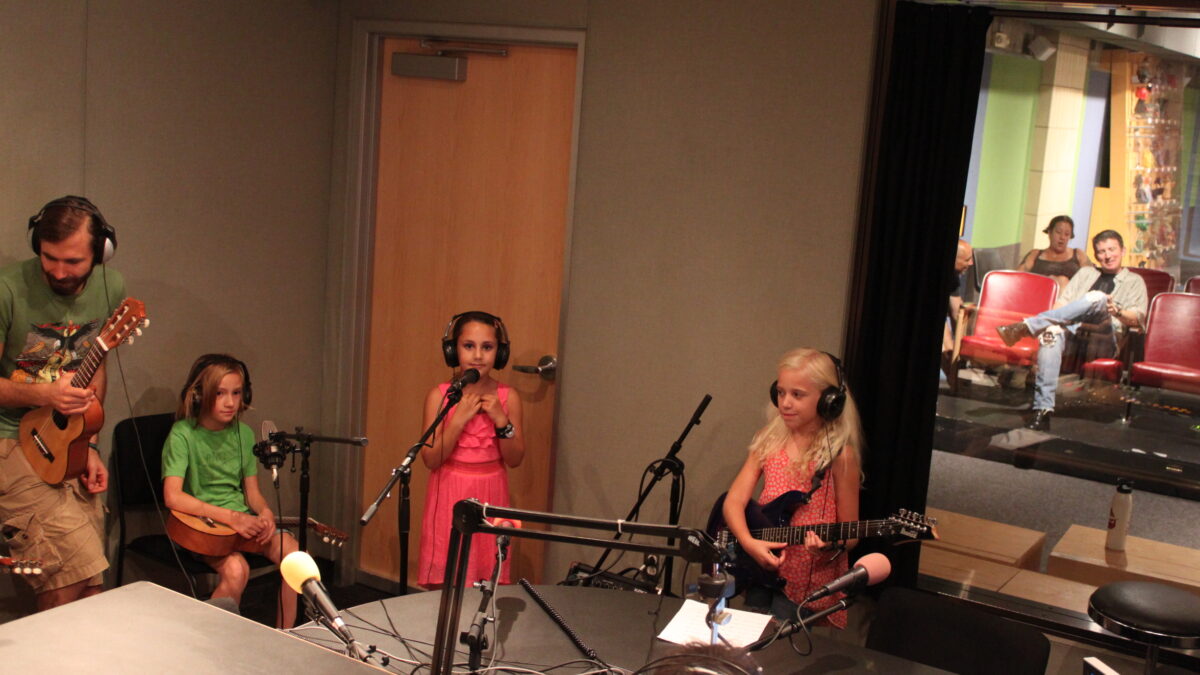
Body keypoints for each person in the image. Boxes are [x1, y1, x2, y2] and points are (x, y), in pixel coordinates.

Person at [0, 196, 124, 611]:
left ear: (100, 251)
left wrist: (87, 442)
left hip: (65, 441)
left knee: (90, 584)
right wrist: (45, 394)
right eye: (49, 258)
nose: (58, 271)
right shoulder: (7, 291)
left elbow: (97, 362)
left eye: (72, 261)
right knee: (67, 572)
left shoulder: (111, 288)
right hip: (6, 439)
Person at [721, 349, 863, 627]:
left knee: (783, 657)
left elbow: (852, 532)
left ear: (829, 400)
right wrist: (749, 544)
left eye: (798, 395)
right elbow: (733, 501)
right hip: (762, 566)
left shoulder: (840, 455)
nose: (785, 403)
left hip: (807, 582)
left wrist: (829, 544)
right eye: (781, 392)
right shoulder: (767, 441)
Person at [162, 354, 299, 627]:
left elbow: (252, 494)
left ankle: (287, 636)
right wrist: (231, 517)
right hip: (205, 528)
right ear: (201, 395)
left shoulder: (243, 433)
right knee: (237, 570)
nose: (230, 402)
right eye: (220, 393)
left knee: (295, 557)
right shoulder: (182, 434)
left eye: (236, 393)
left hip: (241, 523)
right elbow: (172, 496)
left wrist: (265, 512)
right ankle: (210, 644)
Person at [997, 230, 1147, 431]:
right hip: (1074, 334)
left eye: (1112, 249)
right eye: (1101, 251)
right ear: (1096, 255)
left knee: (1098, 297)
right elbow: (1061, 305)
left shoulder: (1134, 281)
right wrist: (1051, 323)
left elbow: (1138, 319)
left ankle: (1026, 327)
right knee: (1051, 332)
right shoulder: (1086, 273)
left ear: (1122, 251)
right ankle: (1043, 410)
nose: (1107, 255)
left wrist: (1117, 310)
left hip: (1104, 338)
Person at [418, 311, 524, 588]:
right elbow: (430, 459)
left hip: (492, 492)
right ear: (453, 350)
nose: (478, 355)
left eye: (487, 347)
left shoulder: (508, 397)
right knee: (448, 574)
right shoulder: (440, 395)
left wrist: (502, 420)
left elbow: (515, 458)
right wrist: (458, 420)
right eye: (468, 346)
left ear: (500, 353)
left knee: (488, 575)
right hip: (450, 491)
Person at [1017, 215, 1091, 290]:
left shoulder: (1078, 254)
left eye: (1067, 234)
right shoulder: (1035, 254)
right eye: (1058, 232)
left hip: (1070, 297)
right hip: (1039, 292)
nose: (1062, 237)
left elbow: (1091, 279)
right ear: (1050, 232)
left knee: (1062, 280)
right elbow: (1017, 277)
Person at [942, 239, 973, 383]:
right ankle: (951, 375)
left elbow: (956, 311)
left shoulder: (953, 276)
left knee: (950, 347)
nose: (971, 263)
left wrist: (961, 348)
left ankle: (953, 373)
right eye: (967, 260)